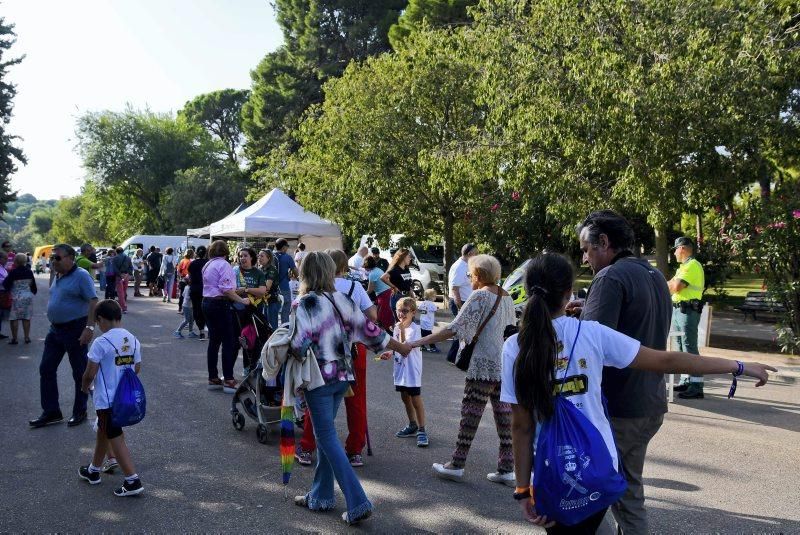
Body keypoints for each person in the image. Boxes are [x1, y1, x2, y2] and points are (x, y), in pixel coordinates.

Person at [501, 253, 775, 532]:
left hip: (552, 474)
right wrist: (737, 366)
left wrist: (523, 489)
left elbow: (521, 427)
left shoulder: (514, 347)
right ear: (569, 292)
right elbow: (666, 361)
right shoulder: (592, 334)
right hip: (599, 466)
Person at [567, 210, 671, 535]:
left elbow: (591, 345)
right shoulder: (652, 275)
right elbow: (633, 323)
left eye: (586, 249)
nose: (584, 259)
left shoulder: (610, 277)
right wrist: (590, 310)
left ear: (604, 242)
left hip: (621, 407)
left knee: (607, 495)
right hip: (649, 401)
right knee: (627, 487)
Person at [290, 251, 411, 526]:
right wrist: (400, 346)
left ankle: (357, 501)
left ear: (305, 274)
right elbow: (371, 330)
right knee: (326, 437)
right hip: (344, 375)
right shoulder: (343, 299)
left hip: (319, 379)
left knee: (327, 438)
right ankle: (320, 496)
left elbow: (298, 346)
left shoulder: (304, 303)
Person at [410, 254, 516, 484]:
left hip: (482, 365)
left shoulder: (479, 296)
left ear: (478, 275)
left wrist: (417, 342)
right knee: (504, 418)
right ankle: (507, 468)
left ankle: (456, 464)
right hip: (502, 365)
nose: (469, 279)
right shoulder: (506, 297)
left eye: (470, 274)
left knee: (470, 414)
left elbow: (454, 329)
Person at [296, 249, 379, 468]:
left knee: (316, 402)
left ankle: (306, 446)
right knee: (356, 400)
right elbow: (372, 316)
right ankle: (354, 450)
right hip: (354, 348)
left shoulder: (311, 293)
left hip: (324, 351)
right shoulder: (354, 287)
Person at [78, 299, 144, 497]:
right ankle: (93, 471)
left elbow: (89, 374)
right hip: (124, 398)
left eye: (97, 323)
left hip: (106, 401)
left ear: (100, 320)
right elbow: (137, 368)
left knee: (114, 435)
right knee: (103, 431)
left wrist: (84, 387)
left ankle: (132, 480)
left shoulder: (101, 342)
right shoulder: (133, 339)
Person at [29, 244, 98, 429]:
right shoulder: (58, 273)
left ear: (70, 258)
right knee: (46, 368)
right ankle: (52, 412)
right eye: (52, 257)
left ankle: (80, 411)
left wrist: (89, 327)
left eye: (57, 258)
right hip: (55, 330)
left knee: (79, 372)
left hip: (75, 329)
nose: (53, 261)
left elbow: (93, 300)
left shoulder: (81, 275)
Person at [379, 296, 428, 447]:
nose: (401, 314)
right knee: (405, 398)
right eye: (399, 311)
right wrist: (390, 352)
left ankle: (422, 429)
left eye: (405, 311)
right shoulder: (397, 327)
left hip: (412, 371)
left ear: (413, 312)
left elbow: (405, 348)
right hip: (400, 369)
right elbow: (397, 348)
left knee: (415, 399)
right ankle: (412, 424)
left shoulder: (415, 329)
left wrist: (399, 331)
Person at [202, 240, 249, 393]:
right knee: (229, 341)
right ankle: (228, 379)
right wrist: (242, 300)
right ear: (225, 251)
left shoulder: (208, 265)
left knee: (214, 341)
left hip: (207, 302)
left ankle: (213, 377)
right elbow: (226, 289)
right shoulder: (224, 265)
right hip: (220, 304)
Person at [669, 237, 706, 400]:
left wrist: (672, 284)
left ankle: (697, 385)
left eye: (676, 249)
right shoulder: (683, 267)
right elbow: (670, 287)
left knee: (689, 347)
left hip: (688, 310)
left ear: (682, 248)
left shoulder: (691, 265)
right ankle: (686, 380)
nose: (675, 252)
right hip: (680, 310)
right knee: (681, 347)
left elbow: (675, 287)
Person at [233, 247, 267, 376]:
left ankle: (250, 367)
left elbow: (262, 291)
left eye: (245, 256)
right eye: (240, 256)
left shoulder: (258, 273)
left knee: (251, 340)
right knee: (237, 340)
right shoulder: (235, 271)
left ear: (252, 257)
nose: (242, 258)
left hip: (254, 311)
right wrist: (239, 292)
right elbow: (231, 290)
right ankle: (231, 371)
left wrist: (246, 289)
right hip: (237, 310)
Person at [446, 243, 478, 363]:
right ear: (470, 254)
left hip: (466, 301)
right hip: (460, 302)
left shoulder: (468, 265)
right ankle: (454, 356)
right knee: (462, 329)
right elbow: (455, 289)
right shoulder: (459, 267)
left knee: (463, 329)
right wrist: (460, 307)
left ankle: (455, 356)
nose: (477, 256)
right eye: (476, 253)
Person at [3, 253, 37, 344]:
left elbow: (6, 284)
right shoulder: (29, 271)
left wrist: (8, 290)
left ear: (16, 261)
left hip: (16, 297)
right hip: (27, 297)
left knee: (14, 318)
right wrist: (32, 291)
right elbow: (33, 286)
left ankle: (15, 339)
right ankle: (26, 337)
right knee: (26, 318)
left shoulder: (13, 272)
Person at [381, 248, 414, 320]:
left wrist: (412, 296)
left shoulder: (406, 269)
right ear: (403, 257)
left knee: (410, 321)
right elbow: (383, 277)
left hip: (408, 296)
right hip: (398, 297)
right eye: (409, 256)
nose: (410, 258)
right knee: (401, 322)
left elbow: (408, 283)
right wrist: (394, 287)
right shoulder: (395, 269)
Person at [364, 256, 393, 331]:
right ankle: (389, 330)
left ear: (367, 266)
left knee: (383, 316)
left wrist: (362, 294)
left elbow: (370, 290)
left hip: (383, 295)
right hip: (387, 292)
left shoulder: (372, 274)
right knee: (385, 314)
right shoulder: (378, 269)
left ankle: (386, 333)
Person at [275, 238, 298, 324]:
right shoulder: (287, 257)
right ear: (284, 247)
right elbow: (296, 272)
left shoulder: (271, 256)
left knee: (274, 308)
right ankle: (284, 327)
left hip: (271, 287)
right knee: (285, 306)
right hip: (284, 287)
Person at [188, 245, 208, 339]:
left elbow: (189, 276)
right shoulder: (208, 263)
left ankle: (201, 331)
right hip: (206, 290)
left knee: (196, 309)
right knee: (206, 310)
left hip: (195, 289)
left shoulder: (192, 263)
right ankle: (209, 330)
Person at [257, 248, 281, 330]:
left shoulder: (272, 270)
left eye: (262, 256)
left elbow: (267, 287)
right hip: (263, 301)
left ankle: (274, 342)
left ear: (269, 258)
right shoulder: (260, 269)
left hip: (272, 301)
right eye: (259, 256)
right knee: (265, 325)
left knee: (272, 326)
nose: (259, 258)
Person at [112, 246, 133, 313]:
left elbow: (114, 268)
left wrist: (120, 274)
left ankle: (123, 307)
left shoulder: (115, 258)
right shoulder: (128, 258)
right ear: (123, 251)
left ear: (116, 251)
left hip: (119, 276)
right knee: (124, 291)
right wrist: (127, 274)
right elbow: (131, 267)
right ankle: (123, 305)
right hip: (126, 276)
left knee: (120, 292)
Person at [0, 251, 9, 339]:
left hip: (3, 292)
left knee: (1, 313)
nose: (7, 260)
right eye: (5, 258)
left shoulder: (3, 267)